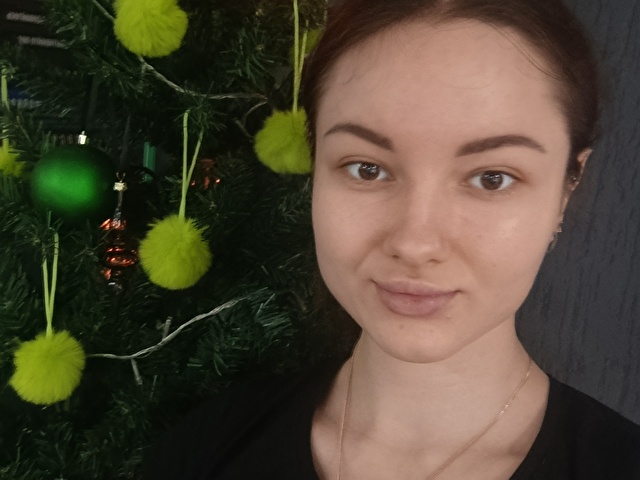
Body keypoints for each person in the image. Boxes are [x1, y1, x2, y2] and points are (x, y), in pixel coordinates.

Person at [143, 0, 640, 478]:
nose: (415, 244)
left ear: (566, 189)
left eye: (492, 178)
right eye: (366, 168)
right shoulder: (206, 449)